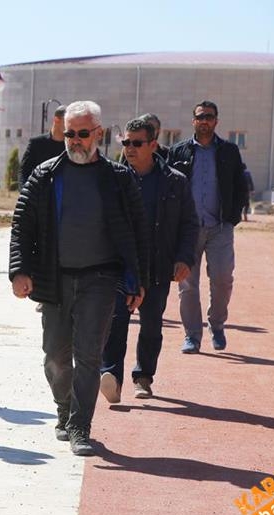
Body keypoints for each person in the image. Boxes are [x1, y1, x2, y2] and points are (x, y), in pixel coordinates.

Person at [9, 100, 149, 456]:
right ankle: (64, 409)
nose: (74, 140)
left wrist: (137, 279)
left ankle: (79, 425)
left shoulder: (118, 178)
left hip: (100, 279)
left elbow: (137, 232)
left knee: (88, 356)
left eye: (82, 134)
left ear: (98, 133)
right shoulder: (45, 175)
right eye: (69, 134)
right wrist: (20, 270)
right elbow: (22, 225)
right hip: (54, 280)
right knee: (55, 357)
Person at [99, 117, 198, 403]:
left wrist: (184, 258)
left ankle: (143, 377)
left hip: (157, 265)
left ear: (153, 145)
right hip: (121, 266)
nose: (130, 148)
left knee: (152, 325)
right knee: (116, 321)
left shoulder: (175, 181)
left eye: (137, 143)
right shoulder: (114, 179)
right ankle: (111, 375)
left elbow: (189, 224)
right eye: (126, 142)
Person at [167, 100, 247, 353]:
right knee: (187, 283)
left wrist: (232, 217)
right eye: (200, 117)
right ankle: (192, 335)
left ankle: (217, 324)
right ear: (193, 121)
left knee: (223, 278)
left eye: (209, 117)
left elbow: (240, 184)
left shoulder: (229, 151)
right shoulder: (178, 152)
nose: (204, 121)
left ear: (216, 121)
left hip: (219, 226)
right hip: (187, 229)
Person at [18, 104, 66, 188]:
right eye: (67, 121)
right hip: (40, 193)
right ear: (56, 120)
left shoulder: (71, 146)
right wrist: (24, 191)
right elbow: (24, 172)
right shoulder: (36, 143)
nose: (71, 125)